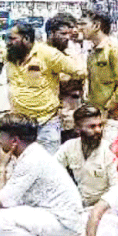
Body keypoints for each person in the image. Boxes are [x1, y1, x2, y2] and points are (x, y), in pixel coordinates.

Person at [5, 22, 87, 154]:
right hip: (19, 123)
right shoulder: (10, 55)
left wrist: (64, 84)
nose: (8, 43)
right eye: (7, 39)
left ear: (26, 39)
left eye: (12, 39)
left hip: (46, 122)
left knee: (49, 162)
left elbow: (80, 71)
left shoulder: (48, 54)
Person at [53, 104, 118, 209]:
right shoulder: (69, 147)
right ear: (77, 129)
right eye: (92, 126)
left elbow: (116, 188)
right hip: (78, 205)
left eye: (100, 125)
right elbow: (52, 169)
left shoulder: (109, 151)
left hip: (105, 208)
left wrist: (100, 207)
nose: (98, 130)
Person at [78, 11, 118, 144]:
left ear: (96, 26)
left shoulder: (114, 50)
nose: (79, 28)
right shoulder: (92, 53)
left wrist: (107, 108)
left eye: (83, 24)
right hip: (95, 116)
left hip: (112, 118)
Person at [47, 13, 84, 143]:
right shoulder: (42, 53)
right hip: (47, 117)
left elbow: (81, 75)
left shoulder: (73, 51)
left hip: (70, 114)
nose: (67, 38)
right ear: (51, 33)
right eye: (63, 34)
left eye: (69, 34)